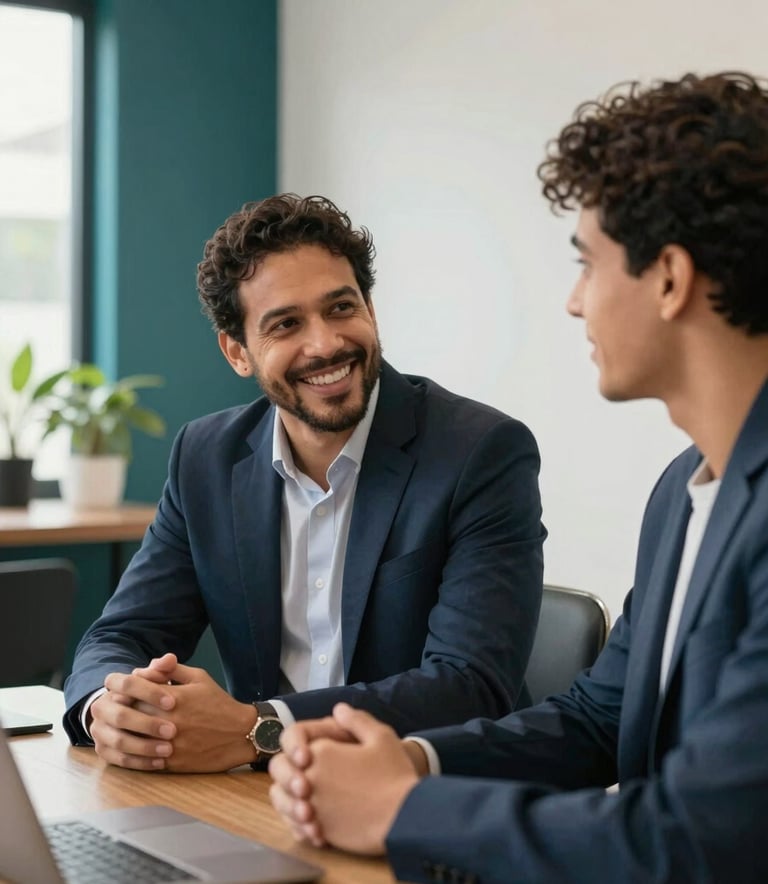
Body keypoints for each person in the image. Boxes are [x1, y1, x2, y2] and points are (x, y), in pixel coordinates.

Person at [268, 72, 768, 883]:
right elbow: (598, 717)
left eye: (588, 263)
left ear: (670, 279)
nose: (576, 303)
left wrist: (399, 811)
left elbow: (699, 840)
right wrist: (409, 761)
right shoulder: (685, 490)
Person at [62, 193, 545, 774]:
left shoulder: (479, 451)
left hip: (431, 798)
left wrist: (258, 728)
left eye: (341, 308)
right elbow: (121, 633)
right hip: (265, 796)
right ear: (237, 351)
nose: (325, 344)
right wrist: (109, 711)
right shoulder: (206, 458)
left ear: (370, 308)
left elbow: (469, 685)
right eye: (286, 324)